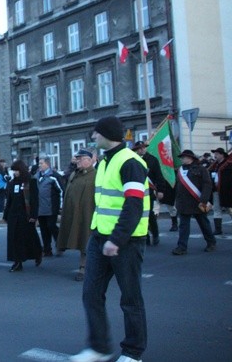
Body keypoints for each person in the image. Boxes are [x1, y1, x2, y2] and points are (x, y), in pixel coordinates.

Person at [70, 116, 149, 362]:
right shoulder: (104, 162)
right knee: (91, 294)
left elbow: (133, 205)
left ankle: (133, 353)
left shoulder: (131, 162)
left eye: (96, 133)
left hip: (125, 242)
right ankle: (99, 348)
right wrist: (100, 236)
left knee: (130, 299)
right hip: (100, 238)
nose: (93, 137)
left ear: (107, 135)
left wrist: (117, 238)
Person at [56, 148, 96, 281]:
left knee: (86, 240)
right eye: (77, 158)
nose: (77, 161)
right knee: (80, 240)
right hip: (75, 214)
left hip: (89, 214)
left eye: (81, 159)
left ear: (89, 161)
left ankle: (84, 268)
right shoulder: (74, 174)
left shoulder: (96, 175)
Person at [171, 149, 216, 255]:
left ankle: (211, 242)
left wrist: (204, 200)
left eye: (184, 157)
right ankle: (182, 247)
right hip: (184, 203)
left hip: (197, 201)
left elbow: (207, 185)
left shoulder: (201, 169)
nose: (182, 159)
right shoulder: (180, 170)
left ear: (190, 158)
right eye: (181, 157)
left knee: (203, 223)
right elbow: (178, 186)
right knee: (183, 226)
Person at [4, 159, 42, 272]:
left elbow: (35, 200)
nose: (15, 173)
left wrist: (34, 216)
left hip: (25, 215)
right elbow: (9, 200)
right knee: (14, 239)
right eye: (13, 171)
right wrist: (5, 215)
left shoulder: (31, 182)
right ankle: (17, 261)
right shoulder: (11, 183)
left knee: (29, 237)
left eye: (17, 170)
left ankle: (38, 253)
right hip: (13, 215)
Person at [132, 141, 164, 246]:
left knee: (149, 214)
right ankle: (145, 236)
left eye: (144, 147)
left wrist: (160, 190)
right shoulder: (132, 160)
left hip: (149, 191)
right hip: (136, 191)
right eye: (140, 148)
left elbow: (158, 176)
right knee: (139, 215)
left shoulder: (152, 160)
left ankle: (155, 234)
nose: (142, 150)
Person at [33, 156, 64, 257]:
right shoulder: (36, 176)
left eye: (41, 163)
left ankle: (60, 244)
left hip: (51, 207)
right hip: (40, 207)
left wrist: (61, 206)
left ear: (47, 164)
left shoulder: (54, 176)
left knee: (51, 226)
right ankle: (47, 249)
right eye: (39, 164)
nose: (39, 165)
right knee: (43, 229)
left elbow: (62, 191)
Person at [209, 147, 229, 235]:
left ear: (222, 155)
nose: (215, 155)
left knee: (229, 209)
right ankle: (218, 229)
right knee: (216, 209)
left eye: (217, 154)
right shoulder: (214, 165)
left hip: (227, 191)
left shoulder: (229, 164)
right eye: (215, 154)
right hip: (216, 190)